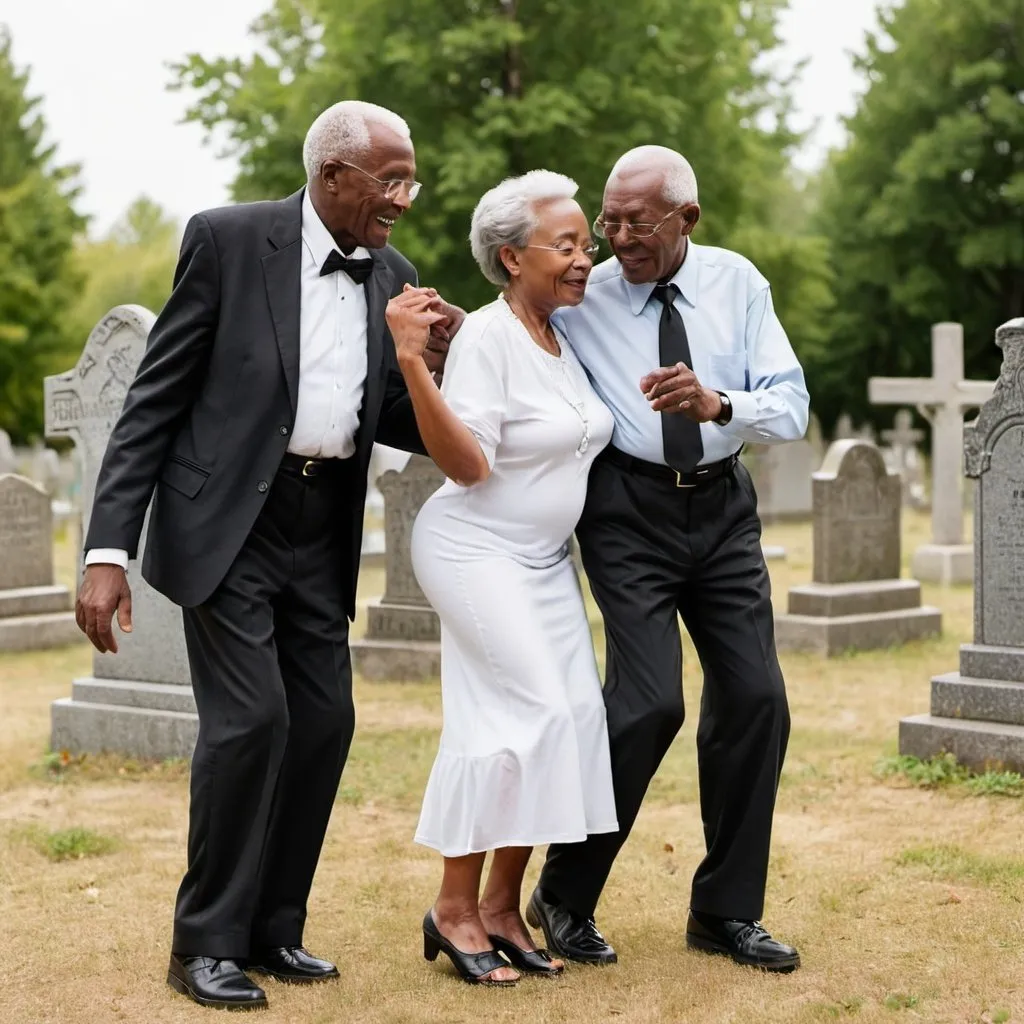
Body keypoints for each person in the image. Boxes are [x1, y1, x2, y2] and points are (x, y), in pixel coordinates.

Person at [75, 100, 458, 1010]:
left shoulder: (393, 272)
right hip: (226, 527)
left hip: (324, 532)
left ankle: (275, 930)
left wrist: (429, 363)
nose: (404, 196)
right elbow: (152, 406)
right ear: (333, 177)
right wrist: (105, 550)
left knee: (324, 724)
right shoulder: (227, 242)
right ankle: (202, 945)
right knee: (252, 724)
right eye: (390, 178)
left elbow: (397, 422)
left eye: (409, 177)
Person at [526, 146, 809, 973]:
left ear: (687, 218)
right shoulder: (586, 292)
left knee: (758, 698)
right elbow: (514, 316)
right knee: (648, 705)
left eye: (634, 223)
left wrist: (721, 402)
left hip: (723, 511)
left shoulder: (737, 283)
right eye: (607, 221)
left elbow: (790, 404)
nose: (614, 239)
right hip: (627, 513)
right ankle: (564, 896)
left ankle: (726, 912)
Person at [384, 170, 619, 987]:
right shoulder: (487, 338)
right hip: (475, 549)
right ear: (512, 257)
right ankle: (453, 907)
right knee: (523, 714)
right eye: (568, 245)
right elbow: (468, 464)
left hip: (544, 562)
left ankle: (498, 907)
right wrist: (415, 364)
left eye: (586, 242)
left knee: (572, 716)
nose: (586, 257)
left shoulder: (561, 336)